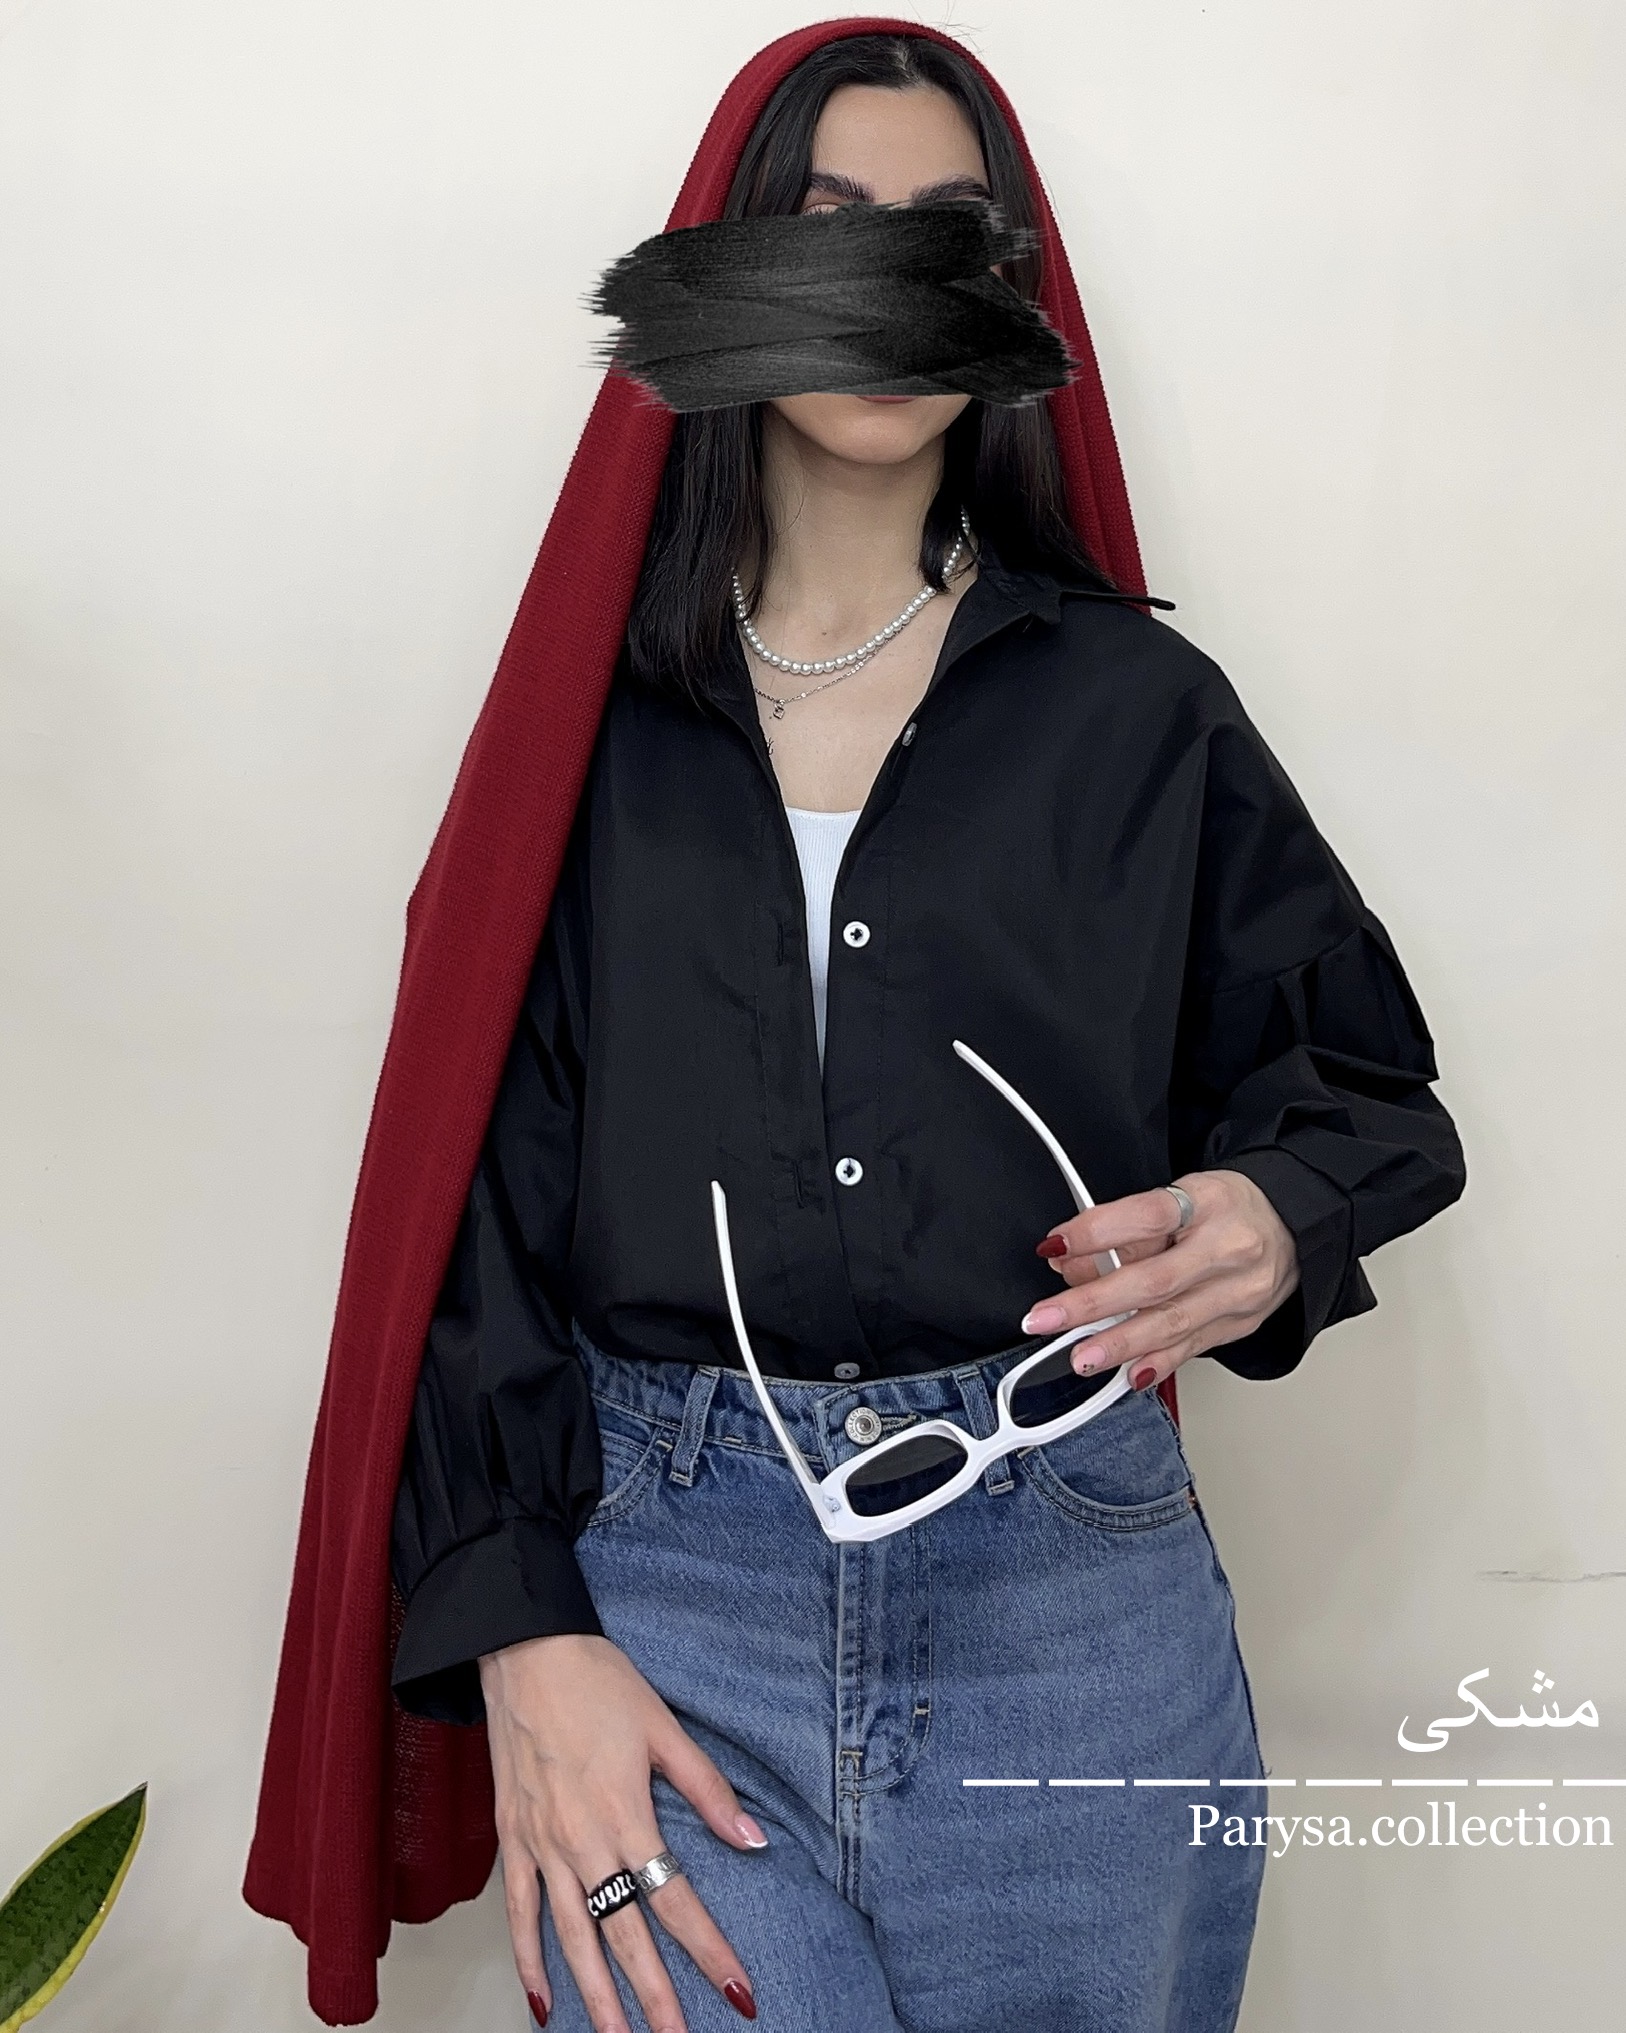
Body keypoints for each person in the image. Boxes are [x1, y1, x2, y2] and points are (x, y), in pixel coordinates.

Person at [245, 21, 1465, 2033]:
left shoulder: (1135, 714)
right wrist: (526, 1637)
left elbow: (1365, 1097)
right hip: (666, 1596)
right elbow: (472, 1221)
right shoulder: (586, 743)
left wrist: (1271, 1216)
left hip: (1072, 1605)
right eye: (827, 229)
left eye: (948, 239)